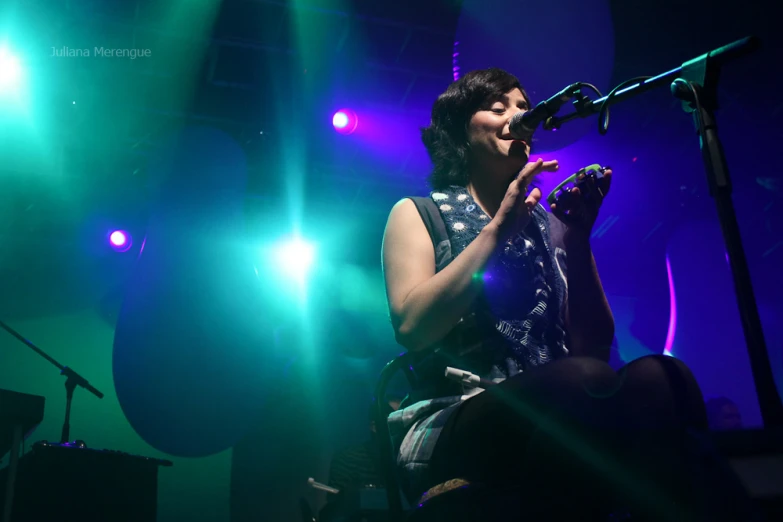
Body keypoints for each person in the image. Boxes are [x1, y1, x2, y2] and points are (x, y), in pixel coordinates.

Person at [381, 68, 758, 521]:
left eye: (522, 107)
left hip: (563, 405)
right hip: (454, 418)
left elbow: (593, 350)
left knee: (664, 378)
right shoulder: (419, 212)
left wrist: (577, 240)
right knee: (581, 382)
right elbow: (412, 328)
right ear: (460, 130)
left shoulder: (549, 223)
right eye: (497, 108)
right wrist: (499, 227)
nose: (518, 116)